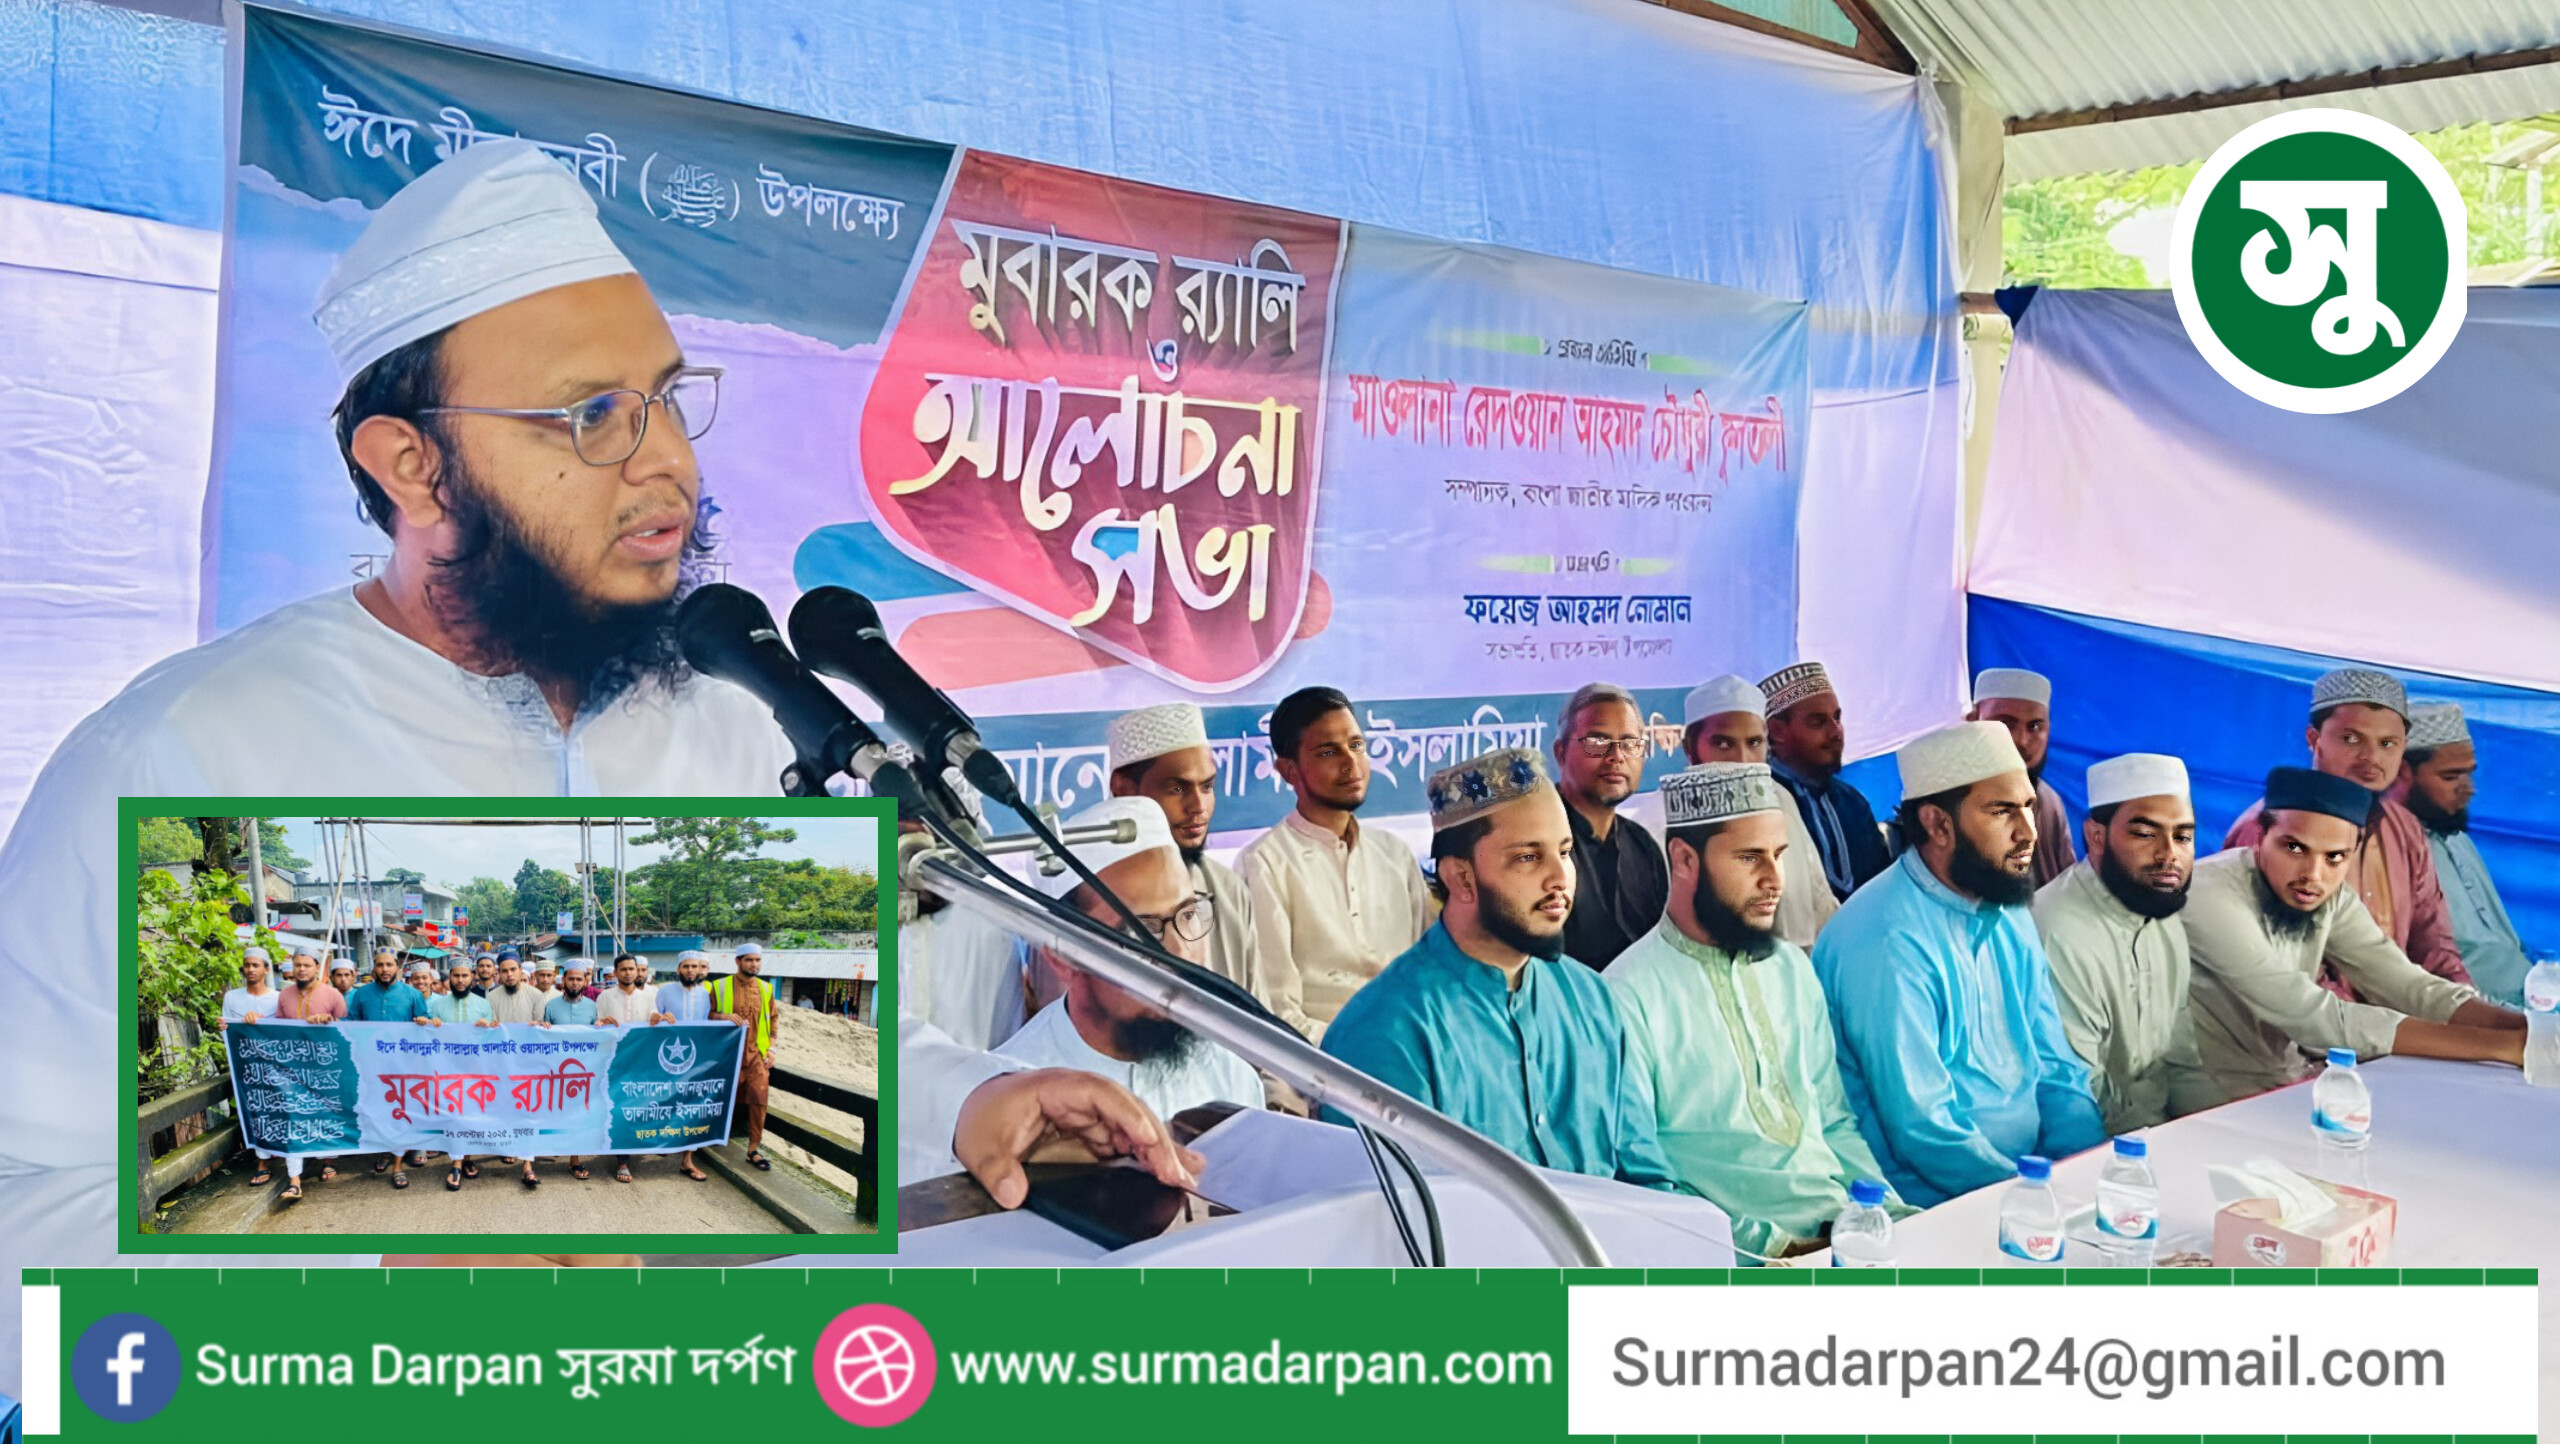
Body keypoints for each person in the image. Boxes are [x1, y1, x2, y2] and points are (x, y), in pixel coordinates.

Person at [0, 139, 800, 1173]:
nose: (669, 461)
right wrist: (371, 1255)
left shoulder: (736, 712)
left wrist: (964, 1102)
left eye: (668, 399)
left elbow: (892, 1054)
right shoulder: (180, 747)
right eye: (592, 416)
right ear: (414, 467)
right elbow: (22, 1181)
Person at [1320, 748, 1685, 1193]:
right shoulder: (1385, 1031)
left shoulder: (1591, 999)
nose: (1560, 878)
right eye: (1528, 858)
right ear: (1462, 878)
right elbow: (1396, 1218)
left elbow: (1648, 1180)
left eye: (1565, 852)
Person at [1604, 763, 1906, 1260]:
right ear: (1683, 859)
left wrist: (1887, 1213)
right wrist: (1773, 1247)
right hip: (1733, 1258)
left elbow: (1833, 1123)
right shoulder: (1625, 995)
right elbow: (1644, 1179)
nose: (1774, 880)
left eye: (1779, 855)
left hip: (1838, 1231)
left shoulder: (1791, 968)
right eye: (1749, 858)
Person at [1812, 722, 2104, 1207]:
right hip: (1928, 1203)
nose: (2027, 833)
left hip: (2029, 1183)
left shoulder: (2006, 906)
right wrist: (2033, 1199)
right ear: (1938, 825)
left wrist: (2084, 1169)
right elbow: (1923, 1130)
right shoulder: (1886, 939)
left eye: (2028, 807)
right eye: (2002, 812)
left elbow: (2056, 1068)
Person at [2182, 766, 2526, 1108]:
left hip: (2286, 1081)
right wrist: (2504, 1047)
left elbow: (2406, 984)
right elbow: (2313, 1017)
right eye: (2295, 848)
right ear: (2260, 836)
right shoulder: (2208, 892)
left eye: (2335, 857)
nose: (2313, 874)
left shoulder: (2329, 897)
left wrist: (2530, 1030)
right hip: (2205, 1094)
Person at [996, 798, 1262, 1121]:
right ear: (1064, 957)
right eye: (1140, 934)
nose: (1179, 954)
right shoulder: (1010, 1099)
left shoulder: (1231, 1076)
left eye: (1188, 915)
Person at [2225, 668, 2470, 991]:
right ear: (2314, 740)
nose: (2372, 757)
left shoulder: (2404, 828)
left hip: (2397, 1014)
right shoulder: (2267, 828)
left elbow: (2434, 947)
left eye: (2387, 743)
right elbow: (2282, 974)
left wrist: (2464, 1003)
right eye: (2352, 739)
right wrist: (2397, 1021)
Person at [1236, 687, 1434, 1037]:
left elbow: (1428, 977)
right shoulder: (1264, 864)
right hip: (1323, 1058)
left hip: (1412, 1042)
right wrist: (1359, 1054)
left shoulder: (1394, 853)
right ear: (1288, 770)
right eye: (1328, 752)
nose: (1350, 762)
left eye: (1356, 745)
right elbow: (1277, 1013)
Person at [2031, 753, 2206, 1134]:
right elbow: (2075, 1092)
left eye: (2182, 837)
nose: (2169, 854)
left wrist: (2217, 1130)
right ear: (2096, 836)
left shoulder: (2161, 912)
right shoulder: (2058, 928)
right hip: (2082, 1139)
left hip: (2156, 1130)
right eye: (2145, 834)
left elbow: (2182, 1061)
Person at [1105, 702, 1279, 1026]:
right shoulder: (1091, 898)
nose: (1198, 806)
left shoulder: (1228, 890)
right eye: (1177, 788)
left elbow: (1260, 1025)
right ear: (1123, 790)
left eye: (1207, 786)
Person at [1682, 674, 1837, 947]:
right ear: (1689, 748)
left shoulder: (1780, 800)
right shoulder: (1662, 820)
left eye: (1754, 743)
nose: (1742, 761)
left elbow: (1820, 904)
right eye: (1723, 744)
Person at [2397, 703, 2532, 1008]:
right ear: (2402, 774)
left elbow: (2507, 947)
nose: (2468, 789)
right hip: (2472, 1014)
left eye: (2468, 775)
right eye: (2450, 777)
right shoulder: (2385, 852)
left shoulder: (2457, 839)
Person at [1548, 683, 1669, 971]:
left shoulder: (1642, 845)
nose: (1617, 756)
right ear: (1561, 752)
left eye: (1630, 743)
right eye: (1598, 741)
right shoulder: (1535, 840)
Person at [1759, 662, 1888, 901]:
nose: (1835, 731)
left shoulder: (1853, 803)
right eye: (1817, 722)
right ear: (1777, 731)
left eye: (1837, 718)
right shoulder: (1761, 804)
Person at [1969, 667, 2076, 886]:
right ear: (1972, 721)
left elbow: (2066, 885)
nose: (2022, 741)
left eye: (2035, 726)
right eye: (2006, 724)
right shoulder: (1950, 801)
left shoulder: (2049, 801)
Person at [345, 951, 434, 1189]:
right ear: (373, 968)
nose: (385, 969)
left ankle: (397, 1165)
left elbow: (425, 1023)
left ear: (398, 968)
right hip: (371, 1064)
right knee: (378, 1111)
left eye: (389, 965)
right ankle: (386, 1150)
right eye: (380, 965)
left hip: (403, 1066)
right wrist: (325, 1023)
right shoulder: (361, 994)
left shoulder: (412, 994)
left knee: (400, 1111)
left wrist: (424, 1021)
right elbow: (351, 1023)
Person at [710, 942, 779, 1174]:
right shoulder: (719, 986)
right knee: (720, 1096)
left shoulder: (766, 988)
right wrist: (724, 1016)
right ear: (738, 961)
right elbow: (708, 1015)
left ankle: (753, 1149)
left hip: (757, 1055)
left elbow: (773, 1020)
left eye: (757, 960)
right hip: (728, 1054)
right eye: (749, 960)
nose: (754, 964)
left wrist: (772, 1049)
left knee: (759, 1098)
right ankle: (708, 1138)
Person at [650, 950, 717, 1182]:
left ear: (700, 969)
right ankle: (664, 1140)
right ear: (678, 969)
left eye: (694, 967)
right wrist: (660, 1018)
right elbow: (652, 1019)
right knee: (666, 1101)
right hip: (667, 1058)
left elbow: (710, 1023)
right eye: (686, 966)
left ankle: (687, 1160)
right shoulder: (664, 991)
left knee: (693, 1106)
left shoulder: (706, 994)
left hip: (697, 1059)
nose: (690, 971)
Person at [592, 954, 653, 1183]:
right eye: (624, 969)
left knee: (635, 1106)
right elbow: (596, 1026)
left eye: (632, 969)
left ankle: (631, 1149)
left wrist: (662, 1020)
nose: (628, 973)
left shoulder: (649, 997)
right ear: (616, 972)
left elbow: (654, 1024)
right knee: (618, 1107)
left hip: (639, 1061)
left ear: (638, 971)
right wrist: (601, 1024)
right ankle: (622, 1161)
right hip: (613, 1061)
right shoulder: (604, 997)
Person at [276, 951, 345, 1025]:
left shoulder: (334, 994)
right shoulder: (284, 993)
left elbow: (345, 1024)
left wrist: (330, 1020)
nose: (301, 969)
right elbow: (279, 1025)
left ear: (317, 968)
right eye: (297, 965)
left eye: (307, 965)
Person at [483, 955, 546, 1026]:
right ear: (499, 973)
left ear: (520, 970)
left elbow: (539, 1025)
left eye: (513, 969)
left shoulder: (536, 995)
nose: (509, 974)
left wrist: (537, 1024)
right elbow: (491, 1025)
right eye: (504, 971)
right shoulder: (492, 997)